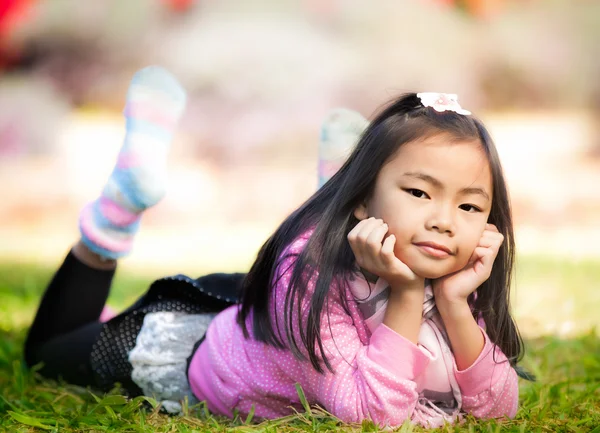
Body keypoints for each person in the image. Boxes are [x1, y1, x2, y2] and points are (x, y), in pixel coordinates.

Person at [24, 66, 525, 428]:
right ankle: (116, 210)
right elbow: (375, 416)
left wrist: (458, 306)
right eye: (419, 192)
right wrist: (407, 291)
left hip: (276, 316)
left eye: (469, 206)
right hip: (207, 357)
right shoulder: (307, 275)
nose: (444, 221)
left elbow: (499, 408)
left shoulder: (450, 268)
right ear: (363, 200)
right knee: (49, 348)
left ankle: (336, 184)